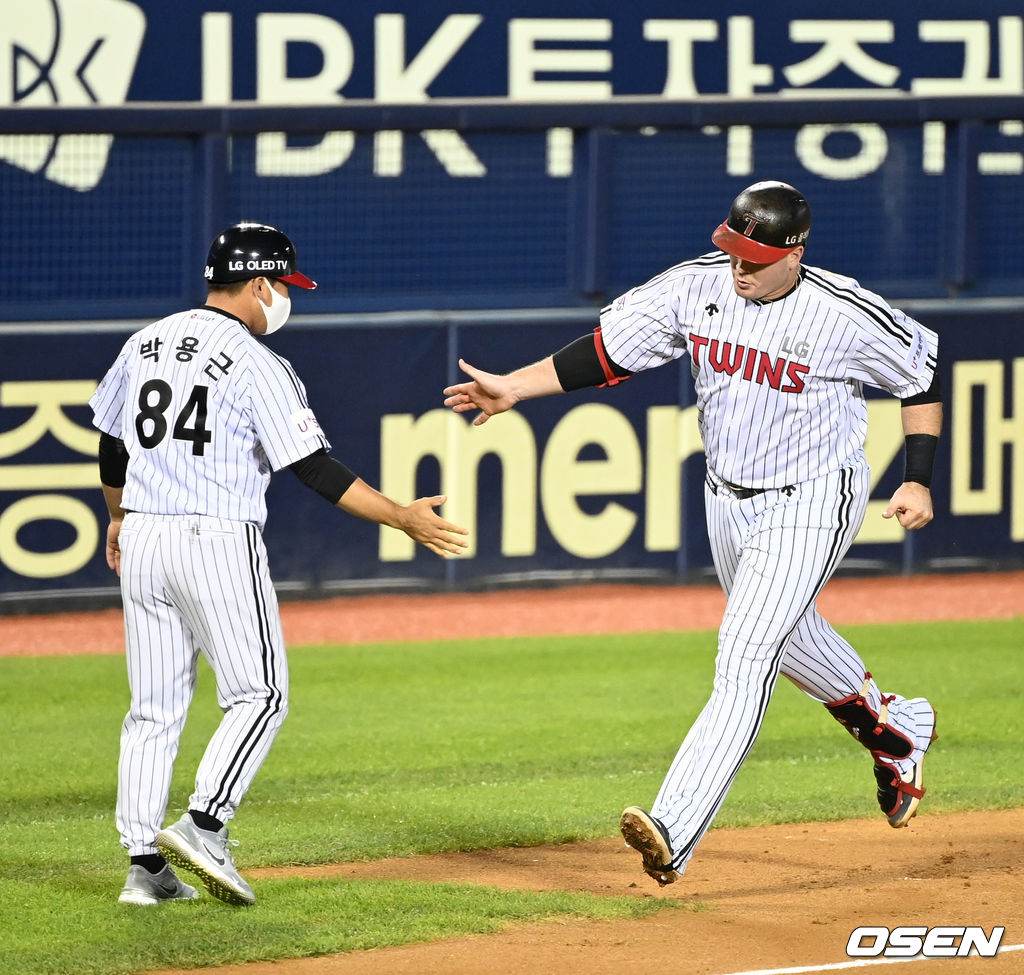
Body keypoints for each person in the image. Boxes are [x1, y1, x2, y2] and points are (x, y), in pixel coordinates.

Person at [443, 181, 941, 886]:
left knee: (745, 653)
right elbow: (607, 351)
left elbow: (920, 375)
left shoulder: (843, 311)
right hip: (726, 498)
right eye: (733, 248)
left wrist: (916, 476)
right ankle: (895, 731)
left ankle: (674, 826)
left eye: (755, 255)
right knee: (789, 636)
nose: (739, 265)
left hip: (812, 498)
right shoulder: (696, 286)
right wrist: (517, 387)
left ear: (794, 252)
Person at [91, 222, 468, 907]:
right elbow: (314, 467)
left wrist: (116, 517)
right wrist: (401, 515)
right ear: (260, 284)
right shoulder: (258, 362)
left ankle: (144, 867)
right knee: (260, 693)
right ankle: (205, 823)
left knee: (153, 707)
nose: (287, 300)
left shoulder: (144, 342)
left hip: (143, 536)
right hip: (216, 537)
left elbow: (113, 447)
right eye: (285, 287)